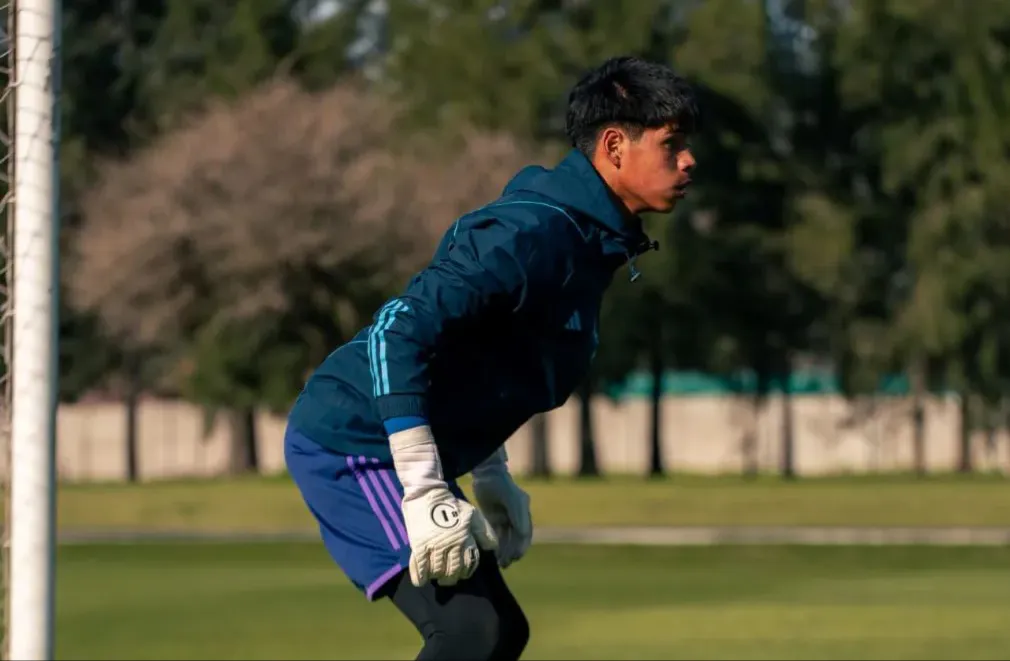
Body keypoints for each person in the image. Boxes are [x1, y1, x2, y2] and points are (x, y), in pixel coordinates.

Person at [284, 54, 698, 661]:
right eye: (672, 144)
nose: (689, 161)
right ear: (614, 146)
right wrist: (424, 487)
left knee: (501, 633)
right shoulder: (532, 233)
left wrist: (489, 470)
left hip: (399, 448)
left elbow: (484, 357)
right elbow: (396, 333)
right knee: (471, 632)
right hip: (356, 441)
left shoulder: (588, 240)